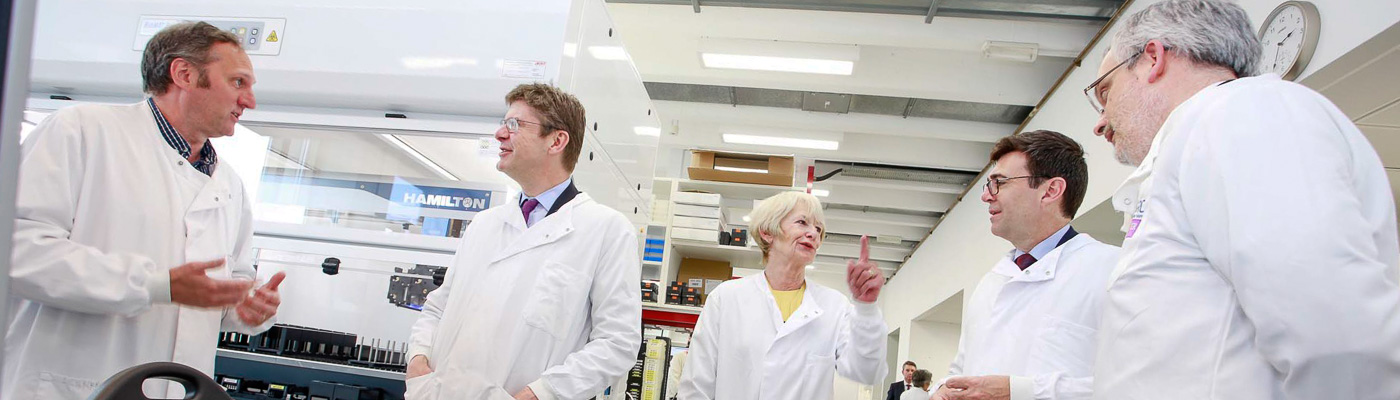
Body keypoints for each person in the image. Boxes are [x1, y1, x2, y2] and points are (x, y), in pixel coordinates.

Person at [1085, 1, 1400, 398]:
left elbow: (1335, 329)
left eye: (1105, 92)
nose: (1099, 122)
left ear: (1152, 59)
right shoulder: (1200, 137)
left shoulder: (1241, 112)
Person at [4, 21, 284, 399]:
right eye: (238, 82)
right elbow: (17, 251)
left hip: (181, 387)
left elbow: (231, 281)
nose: (249, 100)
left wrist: (246, 308)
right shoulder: (81, 132)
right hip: (70, 385)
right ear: (184, 74)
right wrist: (156, 285)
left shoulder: (229, 184)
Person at [405, 83, 641, 400]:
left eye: (515, 124)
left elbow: (617, 343)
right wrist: (418, 361)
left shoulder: (606, 230)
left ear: (557, 140)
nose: (500, 134)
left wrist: (540, 393)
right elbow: (437, 309)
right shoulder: (485, 225)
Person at [931, 130, 1118, 400]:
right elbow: (963, 368)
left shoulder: (1113, 270)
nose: (986, 196)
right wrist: (943, 389)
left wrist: (1020, 392)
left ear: (1050, 191)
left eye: (1000, 183)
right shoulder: (991, 283)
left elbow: (1147, 384)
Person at [677, 191, 888, 400]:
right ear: (767, 232)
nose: (813, 234)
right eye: (802, 222)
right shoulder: (726, 299)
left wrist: (866, 309)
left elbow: (867, 372)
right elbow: (696, 386)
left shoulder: (835, 306)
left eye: (818, 229)